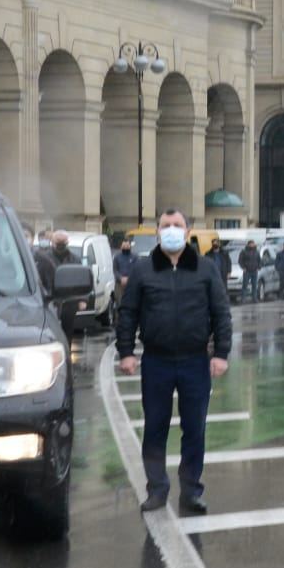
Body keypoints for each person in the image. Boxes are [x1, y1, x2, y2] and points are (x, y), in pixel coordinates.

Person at [117, 209, 232, 514]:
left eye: (177, 226)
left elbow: (221, 313)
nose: (171, 230)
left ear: (187, 231)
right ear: (157, 233)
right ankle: (156, 490)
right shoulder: (144, 270)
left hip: (195, 361)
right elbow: (127, 313)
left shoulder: (205, 269)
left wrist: (221, 354)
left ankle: (191, 490)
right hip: (157, 361)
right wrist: (126, 351)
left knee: (194, 429)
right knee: (155, 428)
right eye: (165, 226)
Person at [47, 230, 85, 339]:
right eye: (58, 242)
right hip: (50, 299)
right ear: (52, 242)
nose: (60, 245)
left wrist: (82, 299)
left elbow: (81, 280)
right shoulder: (45, 258)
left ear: (67, 243)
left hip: (69, 301)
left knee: (67, 331)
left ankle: (67, 351)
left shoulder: (75, 259)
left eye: (63, 243)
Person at [23, 222, 56, 297]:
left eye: (25, 236)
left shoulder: (43, 260)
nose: (21, 239)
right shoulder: (4, 260)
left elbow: (51, 287)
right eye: (19, 236)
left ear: (33, 239)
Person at [112, 237, 138, 304]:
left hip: (131, 284)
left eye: (127, 246)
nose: (125, 247)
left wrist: (128, 279)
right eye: (124, 246)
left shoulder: (135, 257)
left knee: (131, 303)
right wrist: (121, 278)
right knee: (120, 303)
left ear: (130, 246)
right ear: (121, 246)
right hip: (119, 285)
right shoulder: (117, 257)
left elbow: (136, 269)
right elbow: (115, 270)